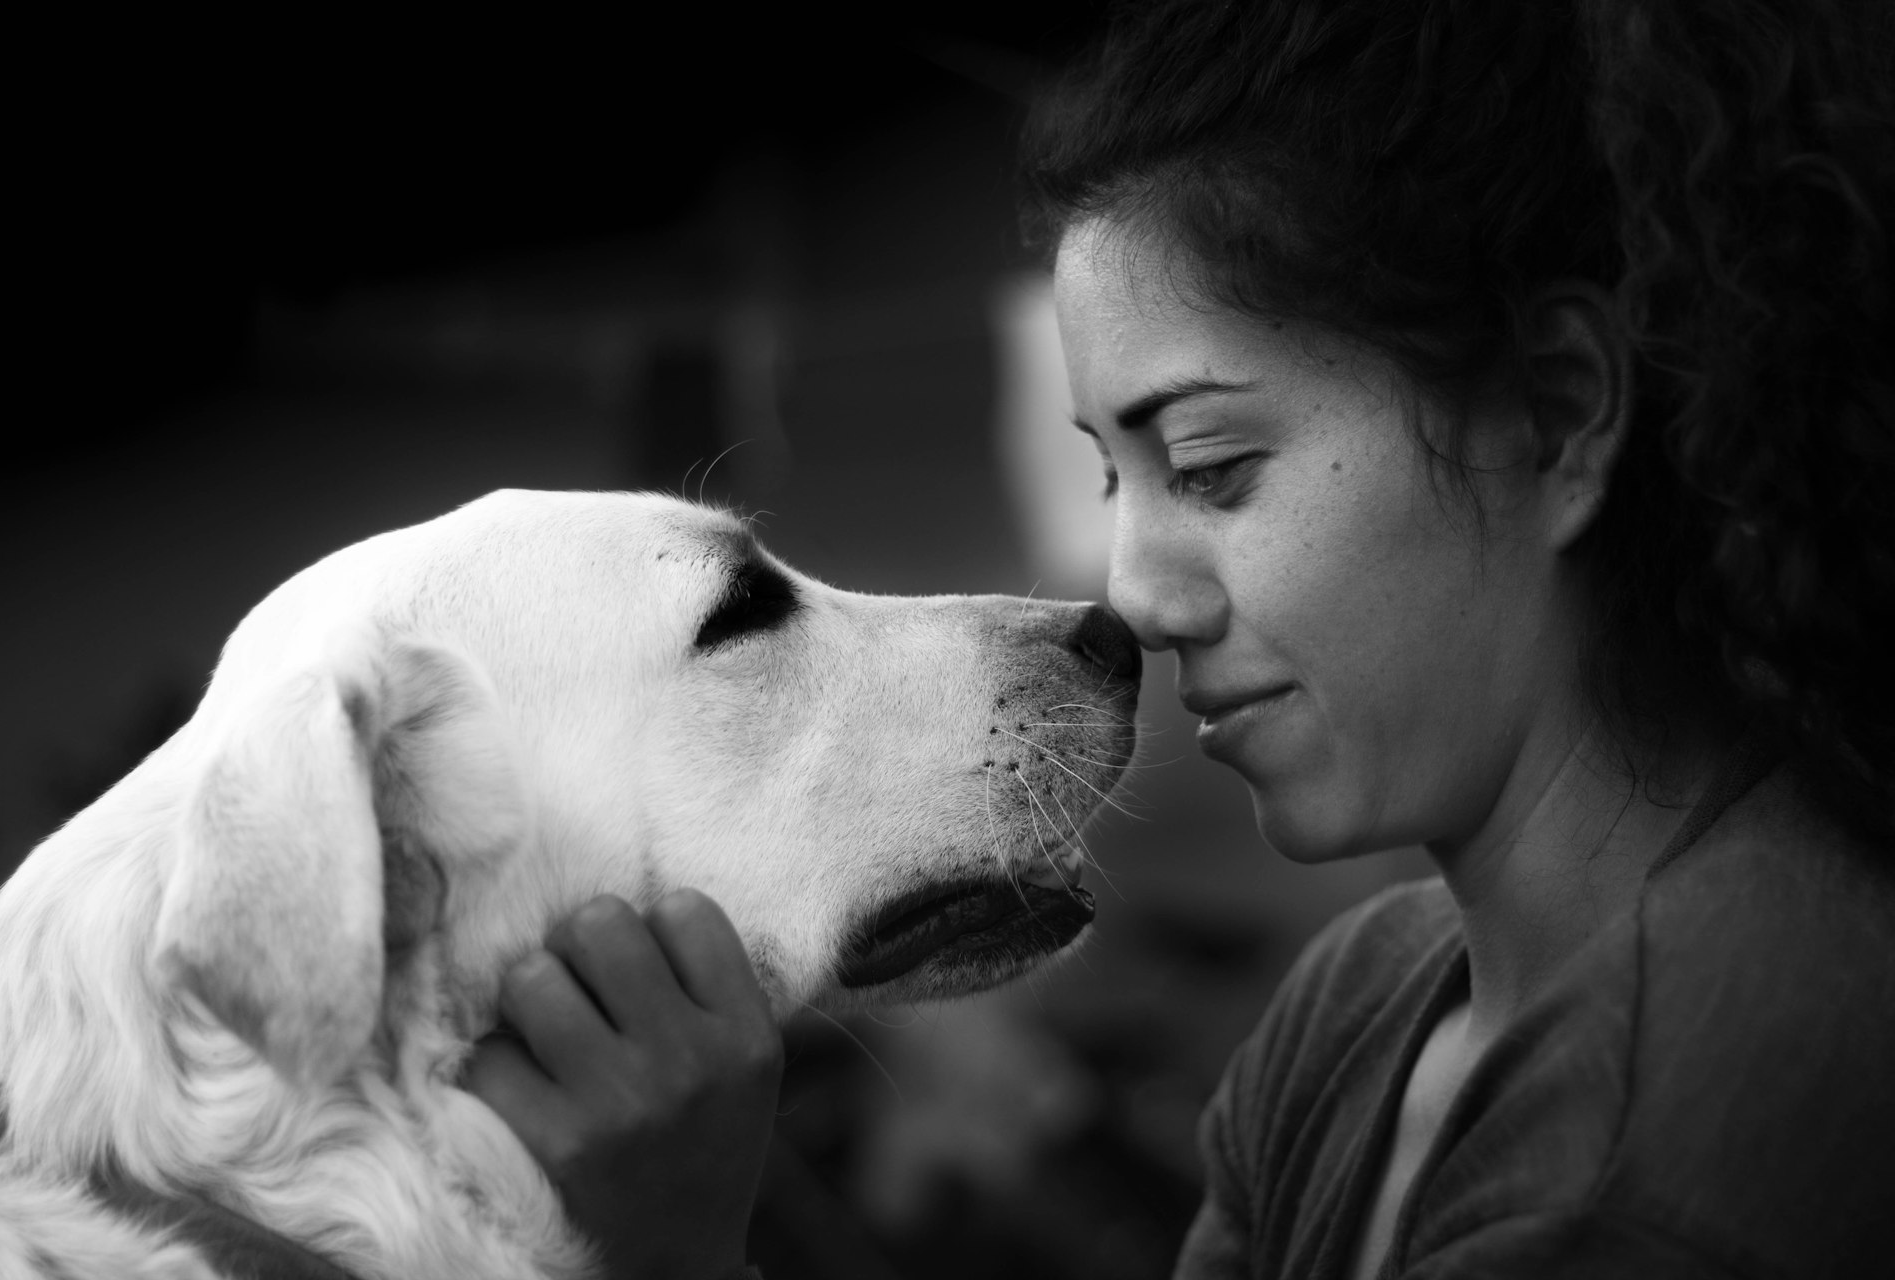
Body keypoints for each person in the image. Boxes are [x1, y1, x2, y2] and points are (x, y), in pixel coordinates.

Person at [464, 1, 1895, 1276]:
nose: (1137, 596)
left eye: (1213, 467)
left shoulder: (1640, 1167)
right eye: (1110, 473)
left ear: (1563, 413)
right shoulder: (1366, 1001)